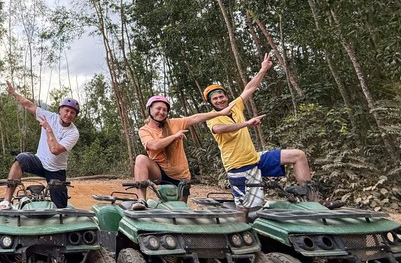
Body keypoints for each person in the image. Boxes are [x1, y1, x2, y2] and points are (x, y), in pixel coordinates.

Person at [205, 53, 314, 219]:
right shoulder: (211, 117)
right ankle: (241, 237)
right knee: (248, 211)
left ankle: (312, 200)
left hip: (255, 158)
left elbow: (250, 87)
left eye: (221, 96)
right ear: (211, 102)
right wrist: (246, 124)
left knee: (298, 155)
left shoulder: (235, 106)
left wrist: (263, 69)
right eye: (215, 98)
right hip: (238, 166)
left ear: (226, 97)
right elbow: (219, 129)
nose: (219, 100)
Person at [132, 94, 232, 209]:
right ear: (150, 109)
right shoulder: (144, 130)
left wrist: (220, 113)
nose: (161, 112)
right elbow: (153, 146)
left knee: (181, 210)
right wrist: (174, 137)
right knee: (141, 159)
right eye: (158, 108)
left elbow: (195, 118)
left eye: (165, 110)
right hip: (159, 173)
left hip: (181, 175)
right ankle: (141, 200)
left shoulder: (174, 123)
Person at [0, 82, 80, 210]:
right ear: (60, 110)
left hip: (56, 170)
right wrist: (14, 93)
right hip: (39, 161)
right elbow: (28, 105)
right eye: (66, 110)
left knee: (61, 208)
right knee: (21, 159)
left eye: (72, 113)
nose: (69, 114)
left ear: (75, 116)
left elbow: (55, 150)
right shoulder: (49, 116)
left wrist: (48, 129)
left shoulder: (73, 133)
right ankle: (6, 200)